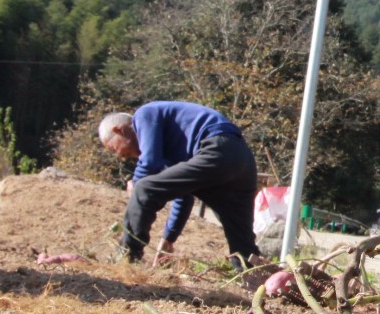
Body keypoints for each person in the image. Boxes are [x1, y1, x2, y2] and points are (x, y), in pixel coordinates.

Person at [98, 101, 261, 270]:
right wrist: (169, 238)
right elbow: (184, 197)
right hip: (242, 159)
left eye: (112, 148)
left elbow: (149, 162)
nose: (119, 155)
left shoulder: (144, 114)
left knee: (143, 188)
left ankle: (126, 258)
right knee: (240, 235)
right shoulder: (174, 149)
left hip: (216, 148)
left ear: (118, 130)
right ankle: (253, 278)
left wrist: (136, 183)